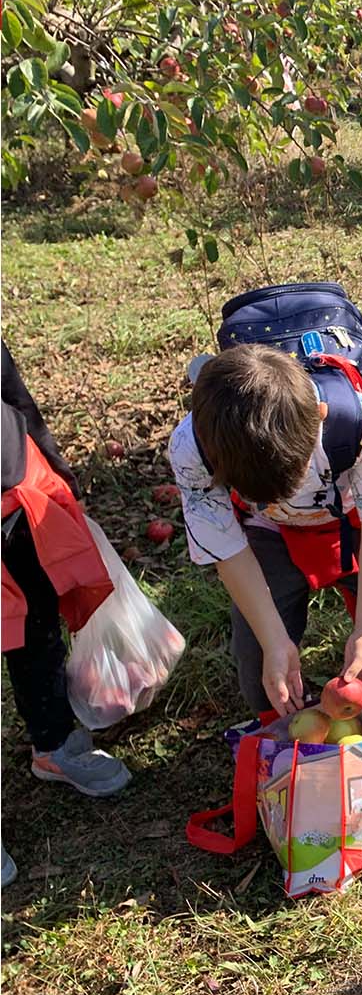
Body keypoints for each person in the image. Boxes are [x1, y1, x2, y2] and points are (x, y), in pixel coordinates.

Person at [166, 344, 362, 786]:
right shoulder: (191, 447)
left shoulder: (356, 423)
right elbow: (229, 550)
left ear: (320, 416)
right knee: (257, 660)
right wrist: (275, 642)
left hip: (354, 517)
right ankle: (293, 743)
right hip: (268, 530)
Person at [2, 342, 133, 886]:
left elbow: (10, 388)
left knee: (37, 624)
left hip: (14, 493)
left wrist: (53, 463)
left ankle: (53, 742)